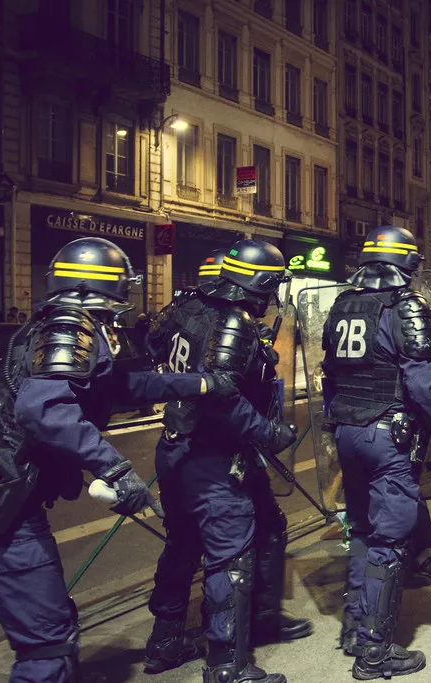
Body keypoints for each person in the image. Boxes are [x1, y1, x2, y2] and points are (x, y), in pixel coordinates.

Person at [0, 237, 233, 682]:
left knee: (54, 622)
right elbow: (44, 409)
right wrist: (114, 467)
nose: (118, 314)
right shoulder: (70, 324)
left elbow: (118, 388)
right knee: (47, 645)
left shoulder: (58, 322)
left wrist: (201, 384)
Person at [145, 240, 309, 683]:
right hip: (215, 454)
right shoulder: (233, 322)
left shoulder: (186, 308)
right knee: (229, 555)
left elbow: (152, 345)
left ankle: (166, 640)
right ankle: (227, 663)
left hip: (177, 444)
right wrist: (268, 432)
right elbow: (222, 397)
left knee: (185, 543)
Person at [323, 225, 431, 679]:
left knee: (362, 531)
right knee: (390, 538)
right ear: (406, 263)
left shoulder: (344, 304)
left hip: (347, 431)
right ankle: (375, 651)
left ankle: (354, 628)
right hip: (387, 435)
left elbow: (330, 373)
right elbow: (424, 383)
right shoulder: (405, 306)